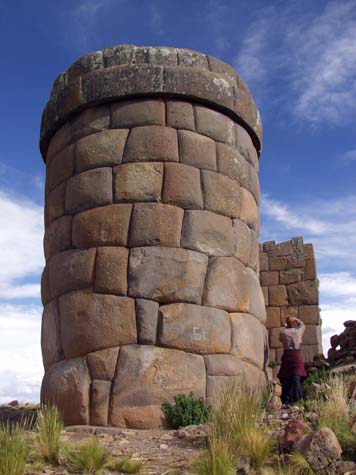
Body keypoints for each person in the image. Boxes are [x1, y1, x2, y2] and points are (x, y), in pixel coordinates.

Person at [277, 316, 307, 404]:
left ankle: (285, 399)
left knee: (286, 377)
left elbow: (280, 339)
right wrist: (297, 320)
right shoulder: (298, 331)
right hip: (296, 355)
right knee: (297, 376)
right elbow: (303, 325)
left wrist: (286, 326)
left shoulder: (283, 332)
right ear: (294, 323)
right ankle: (297, 398)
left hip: (287, 356)